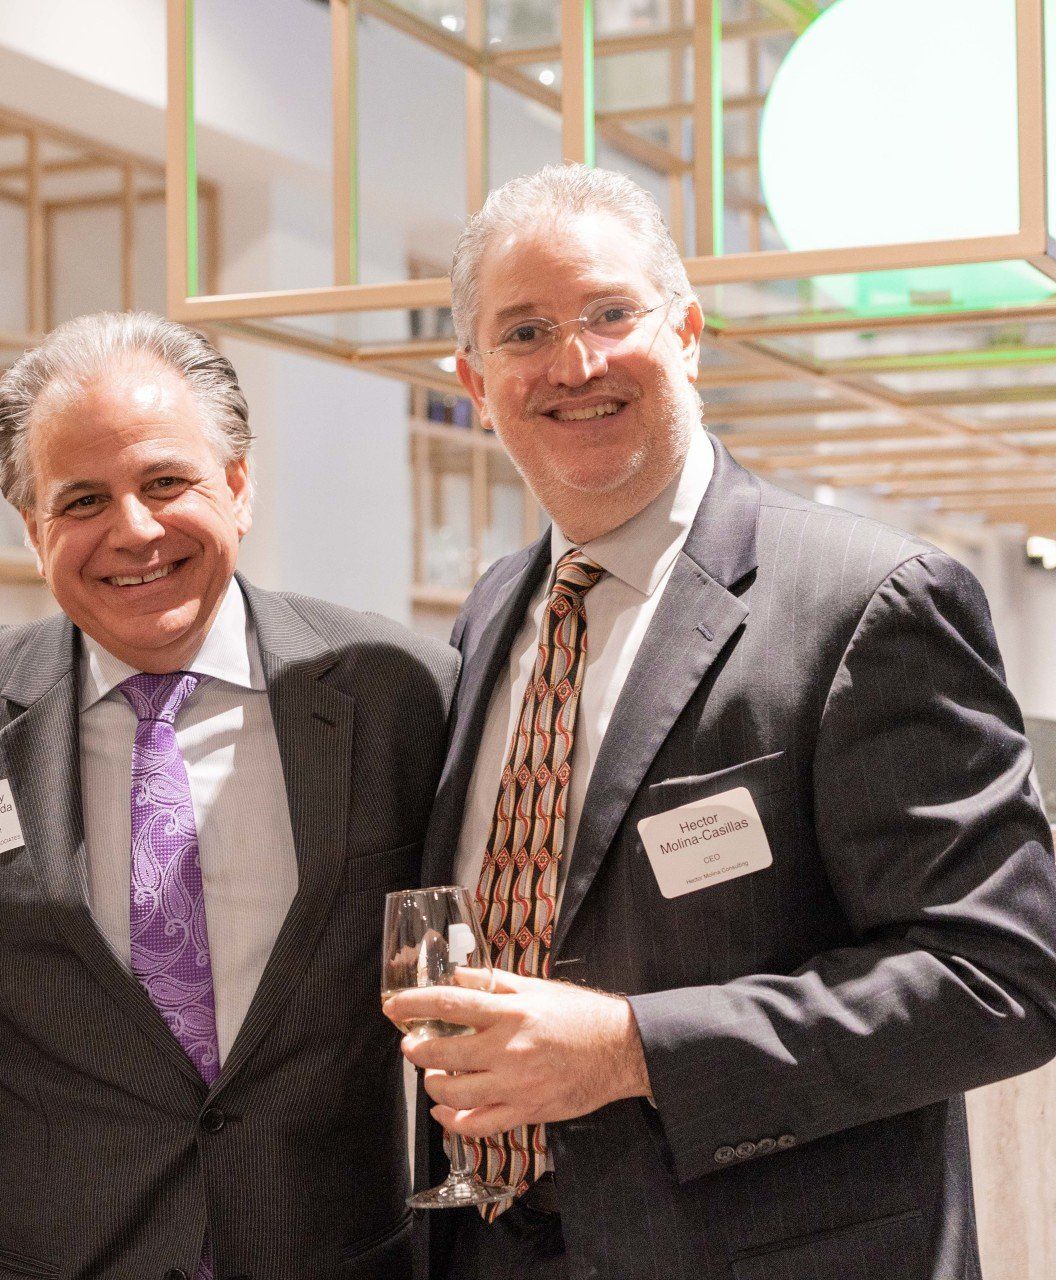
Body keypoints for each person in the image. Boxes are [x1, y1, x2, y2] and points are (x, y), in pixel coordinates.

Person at [384, 164, 1056, 1280]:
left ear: (688, 331)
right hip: (488, 1243)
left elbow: (1003, 978)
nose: (576, 362)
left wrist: (634, 1048)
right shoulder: (493, 610)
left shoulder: (869, 599)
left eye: (611, 312)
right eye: (526, 331)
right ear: (473, 377)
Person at [0, 312, 458, 1279]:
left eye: (164, 481)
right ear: (33, 530)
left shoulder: (401, 693)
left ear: (237, 485)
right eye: (82, 501)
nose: (133, 531)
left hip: (328, 1255)